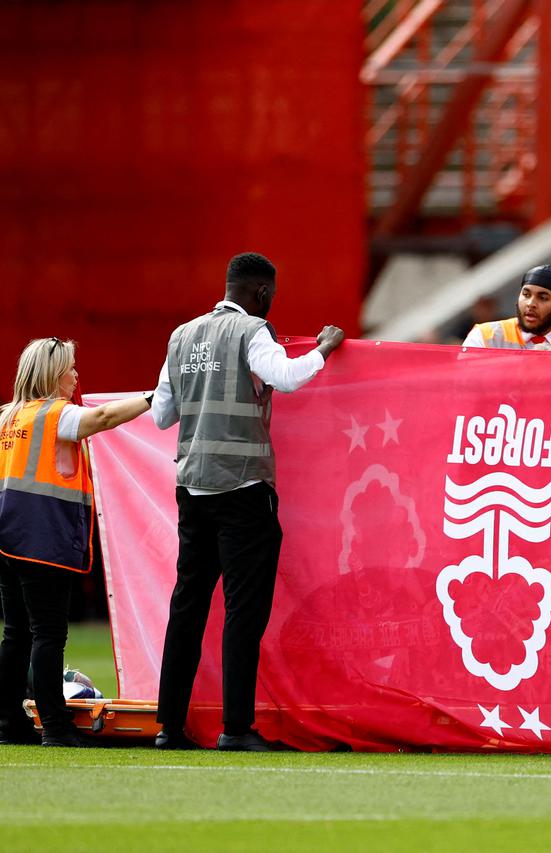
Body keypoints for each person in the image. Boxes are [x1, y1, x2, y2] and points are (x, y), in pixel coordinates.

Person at [150, 252, 345, 751]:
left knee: (187, 609)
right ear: (262, 293)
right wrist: (324, 348)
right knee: (243, 612)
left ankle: (169, 728)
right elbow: (286, 376)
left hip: (192, 489)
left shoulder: (181, 335)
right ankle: (236, 729)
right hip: (242, 490)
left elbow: (162, 417)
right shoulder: (253, 331)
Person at [0, 338, 153, 746]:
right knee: (48, 634)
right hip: (41, 537)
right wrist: (154, 397)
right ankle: (55, 725)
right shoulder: (56, 415)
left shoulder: (6, 417)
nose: (76, 375)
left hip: (7, 540)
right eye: (70, 368)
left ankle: (8, 723)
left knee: (17, 634)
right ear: (52, 374)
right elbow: (101, 417)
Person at [463, 265, 551, 352]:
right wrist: (527, 363)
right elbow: (463, 386)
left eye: (543, 298)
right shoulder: (484, 335)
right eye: (526, 294)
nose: (531, 303)